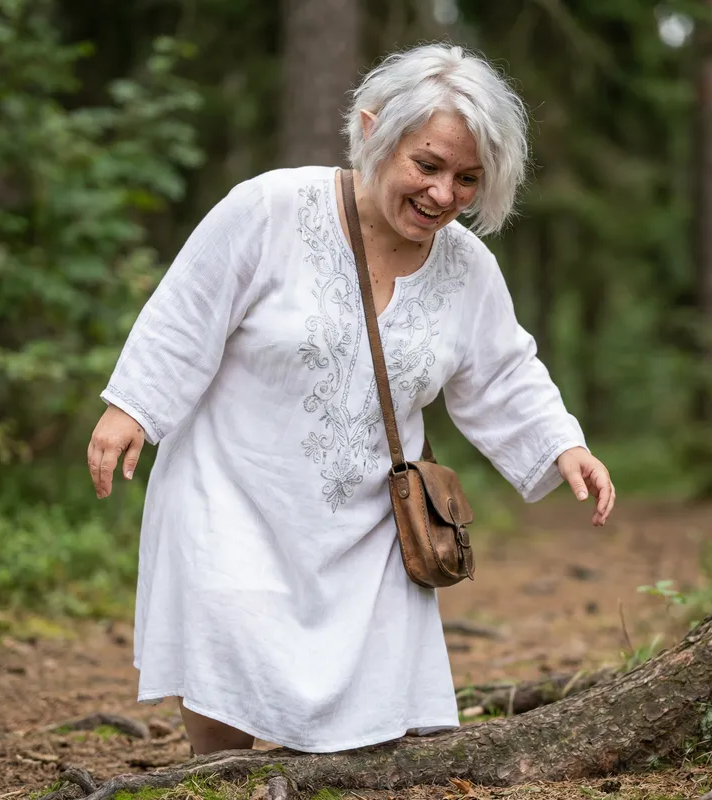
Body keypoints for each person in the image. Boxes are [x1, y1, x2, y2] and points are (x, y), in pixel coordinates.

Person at [87, 42, 615, 756]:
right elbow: (187, 311)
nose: (443, 195)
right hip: (232, 491)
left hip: (367, 522)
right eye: (426, 166)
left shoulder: (468, 268)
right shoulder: (270, 209)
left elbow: (502, 371)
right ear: (372, 132)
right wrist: (134, 407)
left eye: (467, 178)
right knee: (226, 655)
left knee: (359, 720)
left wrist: (563, 444)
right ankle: (217, 775)